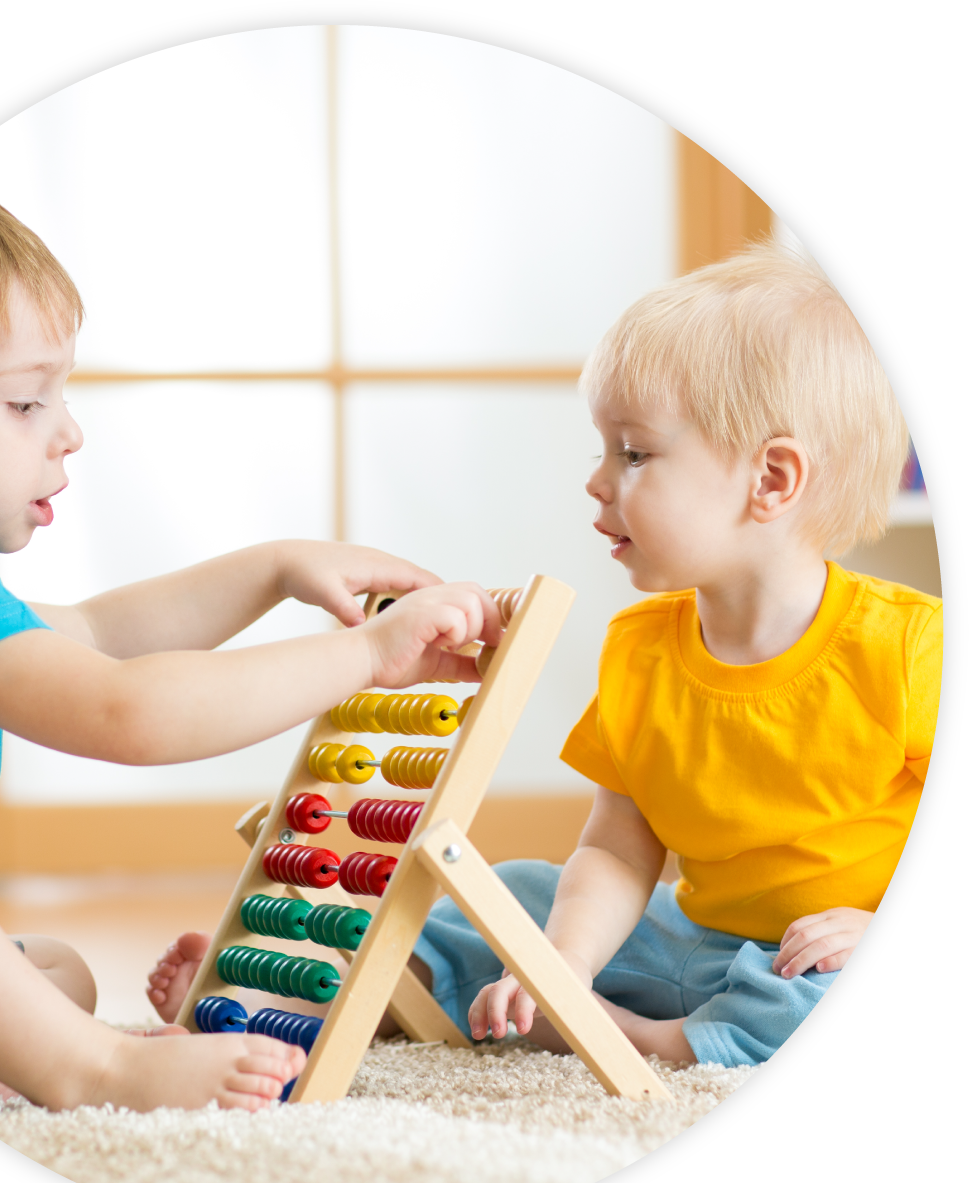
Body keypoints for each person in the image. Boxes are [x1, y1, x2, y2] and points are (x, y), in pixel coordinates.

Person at [0, 177, 504, 1112]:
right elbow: (125, 711)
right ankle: (97, 1069)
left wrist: (274, 569)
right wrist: (367, 658)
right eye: (26, 403)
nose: (69, 433)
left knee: (52, 969)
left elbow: (97, 633)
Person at [148, 241, 941, 1069]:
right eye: (603, 449)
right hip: (684, 935)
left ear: (771, 480)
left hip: (807, 956)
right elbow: (618, 846)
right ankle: (358, 990)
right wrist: (565, 959)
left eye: (634, 453)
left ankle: (651, 1041)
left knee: (822, 989)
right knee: (517, 890)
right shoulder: (641, 647)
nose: (597, 481)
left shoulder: (908, 647)